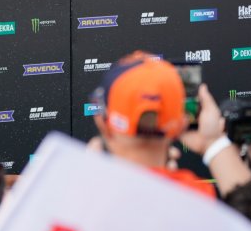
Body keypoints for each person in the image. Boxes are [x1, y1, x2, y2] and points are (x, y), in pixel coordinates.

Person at [90, 51, 217, 198]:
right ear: (182, 125)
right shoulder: (200, 196)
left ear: (101, 122)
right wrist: (213, 143)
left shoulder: (82, 197)